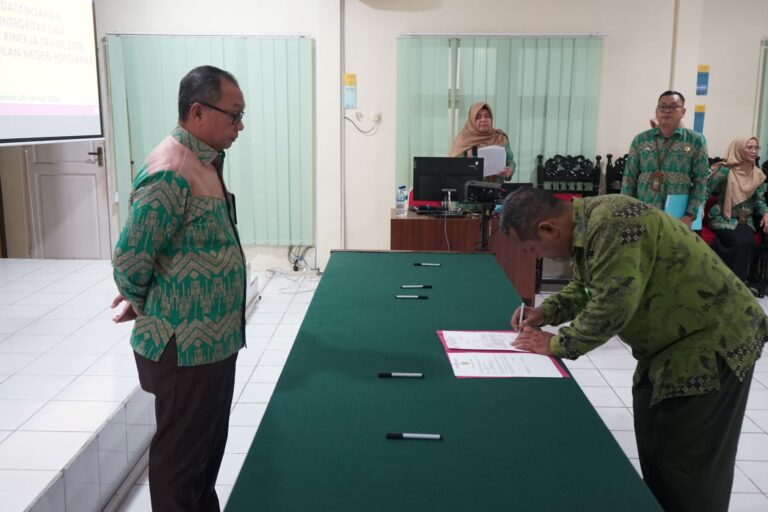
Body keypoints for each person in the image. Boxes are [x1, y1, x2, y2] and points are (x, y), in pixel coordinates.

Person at [500, 188, 765, 512]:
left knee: (689, 470)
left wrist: (556, 343)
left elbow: (612, 307)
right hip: (669, 348)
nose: (537, 257)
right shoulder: (587, 224)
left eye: (532, 249)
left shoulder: (613, 222)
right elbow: (587, 287)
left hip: (712, 343)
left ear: (548, 229)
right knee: (657, 453)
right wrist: (546, 313)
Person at [110, 65, 247, 511]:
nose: (240, 126)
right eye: (234, 115)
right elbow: (130, 258)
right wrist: (145, 301)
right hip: (183, 348)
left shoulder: (204, 161)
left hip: (213, 344)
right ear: (198, 112)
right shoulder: (171, 171)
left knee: (204, 458)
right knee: (181, 466)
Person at [621, 91, 709, 228]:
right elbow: (629, 178)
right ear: (656, 110)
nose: (667, 110)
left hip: (678, 216)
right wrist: (627, 210)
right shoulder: (641, 140)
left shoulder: (695, 140)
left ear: (683, 112)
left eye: (673, 107)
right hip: (643, 212)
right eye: (662, 106)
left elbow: (701, 180)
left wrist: (690, 215)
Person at [706, 137, 768, 282]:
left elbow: (758, 200)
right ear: (739, 149)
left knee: (748, 241)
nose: (754, 151)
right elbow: (706, 191)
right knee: (739, 241)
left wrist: (766, 212)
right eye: (749, 147)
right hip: (723, 217)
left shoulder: (757, 174)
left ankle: (736, 283)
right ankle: (727, 281)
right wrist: (699, 208)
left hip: (745, 220)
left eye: (756, 148)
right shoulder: (725, 170)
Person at [450, 101, 514, 182]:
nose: (483, 120)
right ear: (472, 120)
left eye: (487, 116)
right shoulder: (463, 140)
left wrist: (509, 171)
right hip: (470, 188)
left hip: (496, 188)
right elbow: (455, 168)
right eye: (478, 117)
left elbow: (511, 163)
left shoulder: (500, 137)